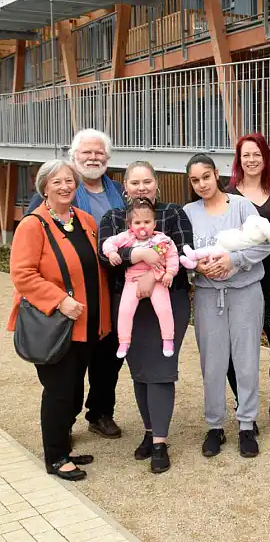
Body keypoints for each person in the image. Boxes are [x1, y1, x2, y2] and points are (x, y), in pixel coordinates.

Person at [9, 160, 111, 480]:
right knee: (59, 391)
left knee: (74, 390)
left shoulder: (84, 220)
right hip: (56, 322)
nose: (65, 186)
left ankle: (63, 444)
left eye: (70, 180)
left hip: (87, 323)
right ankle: (55, 457)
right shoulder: (33, 224)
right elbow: (22, 275)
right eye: (57, 182)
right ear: (44, 188)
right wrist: (60, 301)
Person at [29, 129, 125, 439]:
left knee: (109, 359)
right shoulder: (57, 193)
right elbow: (34, 247)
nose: (93, 158)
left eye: (99, 153)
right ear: (74, 156)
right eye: (87, 153)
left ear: (107, 159)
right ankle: (63, 423)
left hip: (111, 290)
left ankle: (100, 412)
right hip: (72, 295)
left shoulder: (119, 191)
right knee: (71, 364)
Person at [98, 161, 193, 474]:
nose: (142, 187)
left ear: (157, 184)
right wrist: (137, 256)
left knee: (161, 369)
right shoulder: (115, 218)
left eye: (147, 182)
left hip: (168, 298)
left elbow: (180, 252)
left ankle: (161, 443)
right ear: (125, 188)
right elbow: (106, 254)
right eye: (135, 182)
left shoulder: (174, 214)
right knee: (139, 371)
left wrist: (154, 275)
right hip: (128, 302)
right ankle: (150, 432)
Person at [183, 154, 270, 459]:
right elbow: (180, 254)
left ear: (216, 174)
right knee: (213, 361)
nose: (201, 184)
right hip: (209, 296)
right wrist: (198, 270)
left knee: (246, 359)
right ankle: (215, 426)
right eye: (195, 180)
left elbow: (265, 243)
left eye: (206, 177)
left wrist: (233, 260)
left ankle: (246, 424)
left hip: (245, 292)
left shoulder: (242, 205)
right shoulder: (189, 212)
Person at [225, 133, 270, 431]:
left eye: (257, 154)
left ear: (266, 159)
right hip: (236, 284)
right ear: (239, 160)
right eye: (246, 155)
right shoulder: (225, 195)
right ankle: (244, 407)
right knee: (235, 350)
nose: (251, 160)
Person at [102, 198, 179, 359]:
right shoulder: (127, 237)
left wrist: (170, 272)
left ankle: (168, 339)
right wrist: (112, 253)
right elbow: (109, 242)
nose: (142, 226)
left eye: (147, 221)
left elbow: (172, 256)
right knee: (124, 310)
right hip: (132, 280)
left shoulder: (162, 240)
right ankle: (124, 341)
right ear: (130, 225)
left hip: (157, 278)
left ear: (154, 223)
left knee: (164, 309)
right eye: (137, 222)